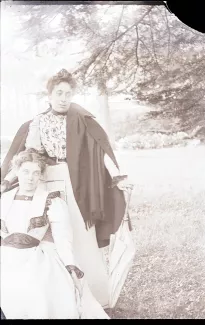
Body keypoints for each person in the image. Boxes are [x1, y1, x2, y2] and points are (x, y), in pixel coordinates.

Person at [1, 69, 131, 308]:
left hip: (76, 183)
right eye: (59, 93)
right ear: (49, 95)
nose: (63, 98)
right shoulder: (38, 122)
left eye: (68, 93)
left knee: (80, 233)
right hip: (47, 179)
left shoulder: (81, 119)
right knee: (52, 238)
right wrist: (8, 180)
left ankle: (93, 295)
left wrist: (117, 177)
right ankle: (56, 294)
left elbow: (99, 151)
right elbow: (29, 155)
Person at [0, 150, 110, 319]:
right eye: (26, 172)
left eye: (36, 173)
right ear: (17, 172)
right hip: (6, 258)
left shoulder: (50, 200)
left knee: (38, 287)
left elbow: (62, 238)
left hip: (36, 257)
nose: (30, 177)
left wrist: (70, 266)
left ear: (40, 176)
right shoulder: (4, 199)